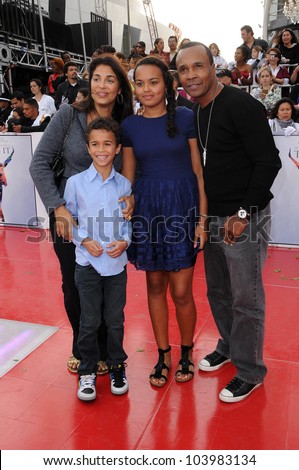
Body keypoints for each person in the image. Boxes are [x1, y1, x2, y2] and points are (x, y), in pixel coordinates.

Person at [176, 42, 281, 403]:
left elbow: (269, 162)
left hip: (243, 219)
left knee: (245, 299)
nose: (191, 75)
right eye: (184, 70)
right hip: (212, 217)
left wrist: (241, 214)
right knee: (218, 292)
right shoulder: (195, 111)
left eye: (197, 66)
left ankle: (250, 370)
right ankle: (229, 345)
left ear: (212, 67)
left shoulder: (241, 105)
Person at [29, 55, 134, 375]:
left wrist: (131, 196)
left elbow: (132, 167)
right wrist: (58, 207)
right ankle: (82, 346)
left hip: (108, 219)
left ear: (119, 87)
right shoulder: (67, 115)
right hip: (69, 216)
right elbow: (39, 163)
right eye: (97, 78)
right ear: (90, 82)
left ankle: (105, 350)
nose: (102, 86)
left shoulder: (126, 122)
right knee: (75, 285)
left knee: (108, 282)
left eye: (110, 80)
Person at [121, 56, 208, 387]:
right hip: (148, 210)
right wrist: (125, 204)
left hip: (182, 208)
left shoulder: (186, 117)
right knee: (154, 286)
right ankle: (163, 354)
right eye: (139, 84)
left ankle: (187, 351)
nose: (146, 89)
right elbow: (128, 177)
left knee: (182, 290)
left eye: (153, 82)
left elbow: (198, 173)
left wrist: (201, 220)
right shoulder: (129, 126)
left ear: (168, 85)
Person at [64, 117, 132, 401]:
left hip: (116, 266)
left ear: (117, 148)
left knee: (115, 320)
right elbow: (68, 221)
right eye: (95, 144)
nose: (101, 149)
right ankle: (88, 371)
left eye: (107, 144)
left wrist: (125, 240)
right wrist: (84, 240)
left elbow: (128, 221)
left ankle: (117, 366)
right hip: (87, 265)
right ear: (88, 148)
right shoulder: (75, 183)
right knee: (89, 321)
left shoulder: (124, 184)